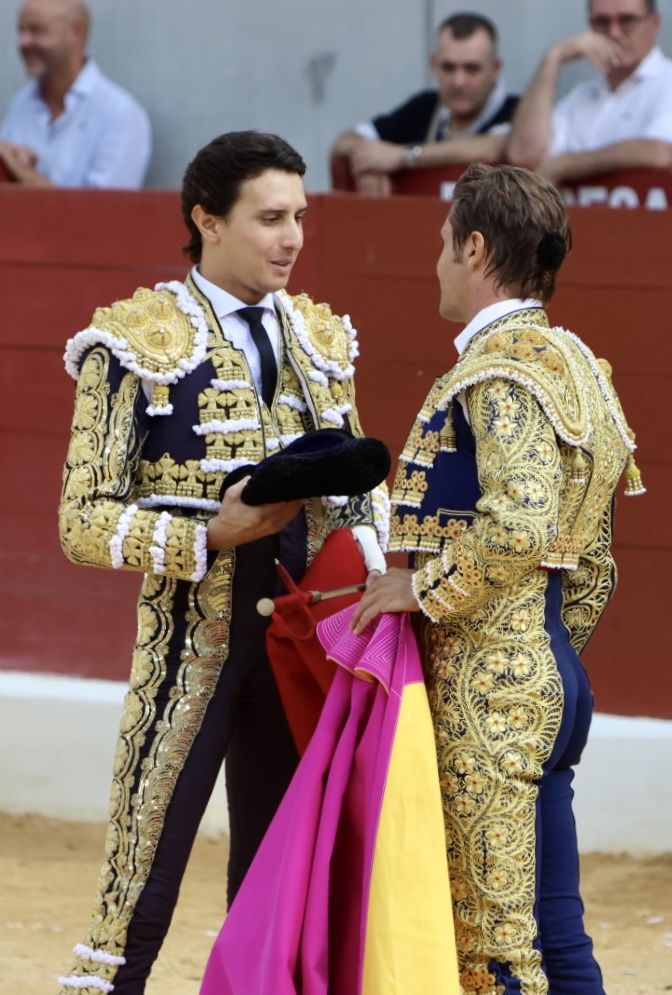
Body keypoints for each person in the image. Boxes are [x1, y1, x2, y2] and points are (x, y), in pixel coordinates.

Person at [56, 130, 388, 995]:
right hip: (187, 655)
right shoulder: (132, 341)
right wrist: (208, 535)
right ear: (206, 219)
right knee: (139, 888)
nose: (291, 238)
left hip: (302, 651)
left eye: (300, 218)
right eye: (269, 218)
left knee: (280, 884)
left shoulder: (321, 339)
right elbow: (81, 519)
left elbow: (362, 496)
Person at [352, 163, 645, 993]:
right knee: (555, 936)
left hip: (488, 690)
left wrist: (422, 591)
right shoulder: (576, 366)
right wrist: (550, 653)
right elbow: (589, 556)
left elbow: (518, 520)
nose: (438, 259)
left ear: (474, 247)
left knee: (493, 949)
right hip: (548, 674)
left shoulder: (498, 371)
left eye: (445, 241)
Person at [507, 0, 672, 184]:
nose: (614, 32)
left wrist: (566, 165)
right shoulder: (582, 96)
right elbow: (524, 154)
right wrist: (554, 58)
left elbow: (660, 152)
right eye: (601, 22)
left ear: (654, 23)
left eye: (626, 20)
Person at [331, 12, 517, 195]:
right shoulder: (426, 107)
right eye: (448, 67)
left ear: (496, 68)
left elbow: (497, 148)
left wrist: (405, 155)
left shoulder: (519, 111)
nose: (458, 81)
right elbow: (344, 141)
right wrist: (369, 160)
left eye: (471, 69)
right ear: (433, 64)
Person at [0, 0, 151, 187]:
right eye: (21, 31)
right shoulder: (20, 104)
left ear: (77, 32)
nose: (23, 42)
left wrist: (20, 171)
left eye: (37, 30)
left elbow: (103, 212)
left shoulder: (121, 116)